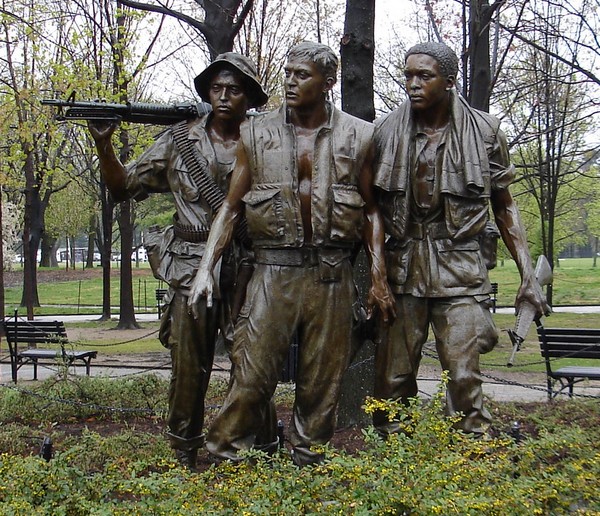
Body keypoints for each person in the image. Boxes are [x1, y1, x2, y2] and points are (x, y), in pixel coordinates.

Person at [188, 41, 396, 466]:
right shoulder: (255, 132)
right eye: (287, 72)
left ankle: (307, 464)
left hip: (332, 274)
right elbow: (230, 208)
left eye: (302, 74)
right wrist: (206, 269)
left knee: (322, 383)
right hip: (272, 272)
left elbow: (373, 211)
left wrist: (378, 278)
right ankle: (225, 457)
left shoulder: (360, 134)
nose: (289, 80)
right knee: (251, 375)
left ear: (328, 82)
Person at [88, 53, 269, 470]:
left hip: (249, 266)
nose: (223, 96)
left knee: (254, 364)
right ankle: (183, 450)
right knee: (189, 368)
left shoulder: (265, 139)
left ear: (250, 97)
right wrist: (104, 145)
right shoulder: (178, 140)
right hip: (190, 268)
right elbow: (122, 188)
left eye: (234, 89)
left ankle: (257, 446)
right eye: (216, 88)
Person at [372, 42, 549, 436]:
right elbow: (373, 210)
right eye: (408, 75)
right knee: (393, 375)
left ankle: (472, 453)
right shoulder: (385, 131)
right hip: (403, 263)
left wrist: (527, 275)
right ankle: (392, 461)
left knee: (463, 371)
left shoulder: (486, 131)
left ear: (449, 82)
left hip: (461, 263)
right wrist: (377, 275)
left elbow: (504, 206)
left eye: (424, 76)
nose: (412, 84)